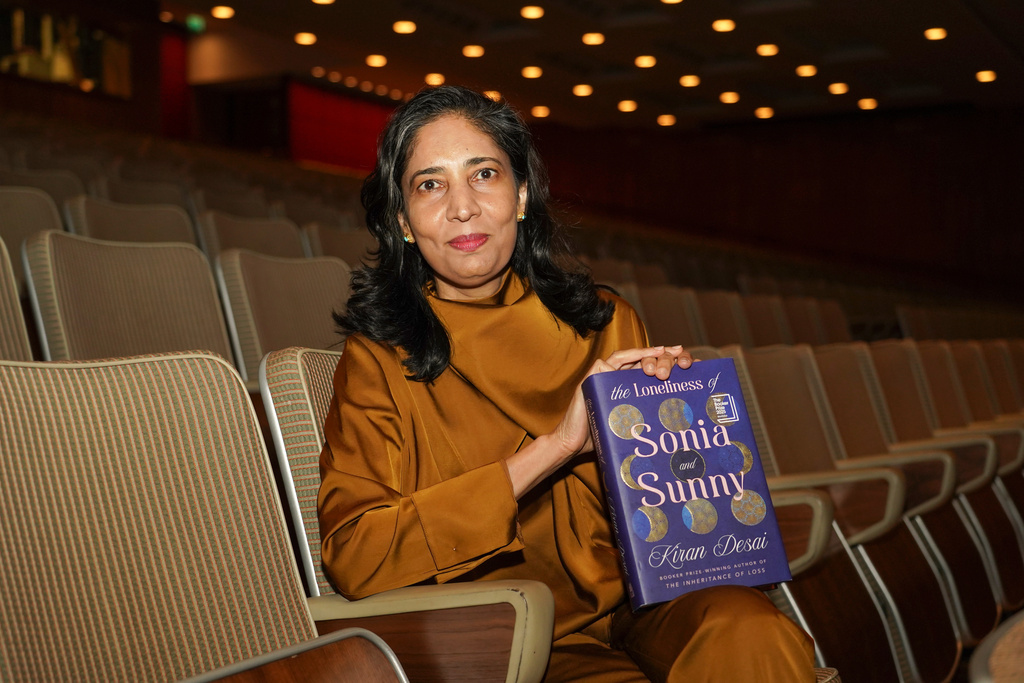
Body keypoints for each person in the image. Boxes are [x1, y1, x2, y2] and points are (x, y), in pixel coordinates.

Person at [318, 85, 816, 682]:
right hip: (515, 634)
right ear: (402, 219)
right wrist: (556, 447)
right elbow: (356, 555)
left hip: (647, 601)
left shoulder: (607, 323)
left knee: (753, 632)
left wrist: (687, 434)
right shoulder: (377, 360)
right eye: (430, 184)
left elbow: (675, 514)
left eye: (484, 174)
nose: (463, 207)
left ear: (521, 195)